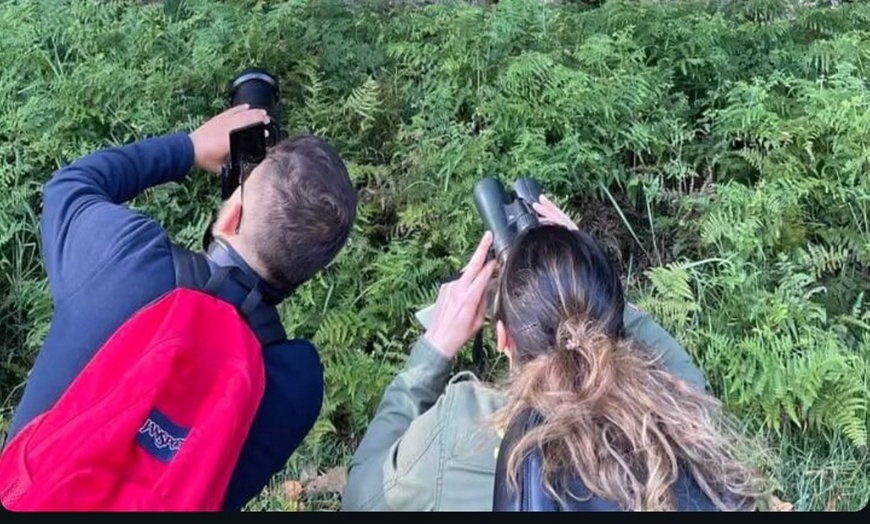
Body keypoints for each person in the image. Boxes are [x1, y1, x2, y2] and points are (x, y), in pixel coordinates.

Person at [4, 105, 358, 511]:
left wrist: (187, 147)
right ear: (307, 270)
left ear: (232, 216)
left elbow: (71, 185)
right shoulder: (295, 385)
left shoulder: (125, 260)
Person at [341, 196, 771, 511]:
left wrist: (434, 349)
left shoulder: (461, 428)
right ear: (613, 317)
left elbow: (361, 493)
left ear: (503, 338)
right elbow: (679, 371)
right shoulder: (675, 414)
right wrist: (585, 268)